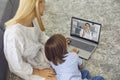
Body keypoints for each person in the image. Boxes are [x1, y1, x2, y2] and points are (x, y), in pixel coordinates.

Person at [4, 0, 56, 80]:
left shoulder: (33, 20)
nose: (45, 5)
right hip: (27, 68)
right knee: (55, 78)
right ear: (36, 4)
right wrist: (39, 72)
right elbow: (17, 65)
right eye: (43, 2)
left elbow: (41, 37)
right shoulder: (14, 35)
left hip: (37, 53)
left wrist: (55, 42)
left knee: (64, 58)